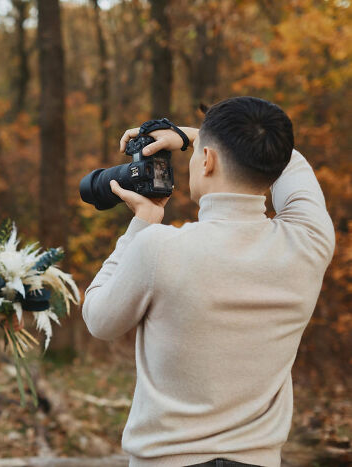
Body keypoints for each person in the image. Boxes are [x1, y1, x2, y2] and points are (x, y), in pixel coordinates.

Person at [82, 97, 335, 467]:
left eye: (197, 152)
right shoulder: (309, 240)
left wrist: (141, 225)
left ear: (207, 160)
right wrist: (193, 137)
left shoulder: (158, 248)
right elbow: (290, 159)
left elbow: (98, 319)